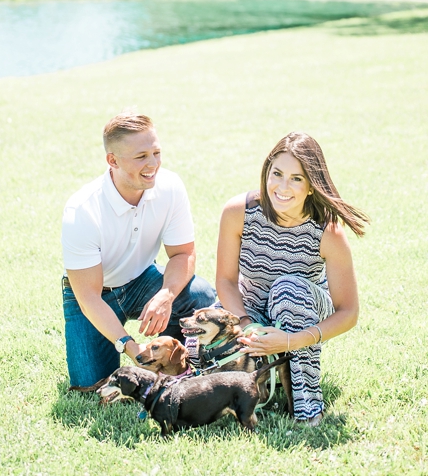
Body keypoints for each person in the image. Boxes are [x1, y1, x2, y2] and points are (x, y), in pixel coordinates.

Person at [216, 132, 367, 426]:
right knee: (207, 332)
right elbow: (225, 281)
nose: (283, 187)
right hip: (251, 309)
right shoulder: (239, 212)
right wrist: (247, 325)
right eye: (278, 174)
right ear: (266, 172)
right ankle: (263, 382)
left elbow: (348, 312)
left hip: (302, 311)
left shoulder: (328, 232)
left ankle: (307, 404)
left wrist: (292, 340)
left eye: (297, 179)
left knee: (289, 289)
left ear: (312, 186)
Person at [61, 112, 215, 388]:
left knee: (201, 296)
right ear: (113, 160)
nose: (153, 164)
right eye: (141, 156)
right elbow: (88, 298)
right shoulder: (81, 210)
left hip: (143, 280)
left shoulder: (170, 187)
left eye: (156, 152)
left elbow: (184, 253)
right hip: (95, 295)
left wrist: (165, 296)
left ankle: (185, 368)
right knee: (90, 383)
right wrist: (131, 347)